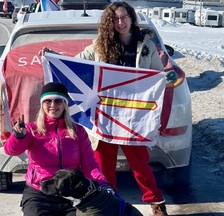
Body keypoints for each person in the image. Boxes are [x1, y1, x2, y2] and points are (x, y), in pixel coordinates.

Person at [39, 2, 177, 215]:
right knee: (104, 168)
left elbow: (157, 78)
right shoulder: (99, 46)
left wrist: (167, 78)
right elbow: (75, 66)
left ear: (131, 18)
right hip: (105, 117)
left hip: (134, 117)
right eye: (115, 19)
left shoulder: (146, 45)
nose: (120, 22)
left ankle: (157, 206)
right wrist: (54, 56)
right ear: (109, 22)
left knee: (141, 166)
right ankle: (111, 207)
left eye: (123, 17)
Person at [4, 82, 110, 216]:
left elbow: (90, 165)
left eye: (58, 101)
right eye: (47, 101)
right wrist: (18, 136)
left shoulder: (78, 131)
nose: (53, 105)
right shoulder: (31, 129)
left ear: (65, 105)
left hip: (71, 194)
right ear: (42, 105)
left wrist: (103, 184)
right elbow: (11, 150)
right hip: (39, 192)